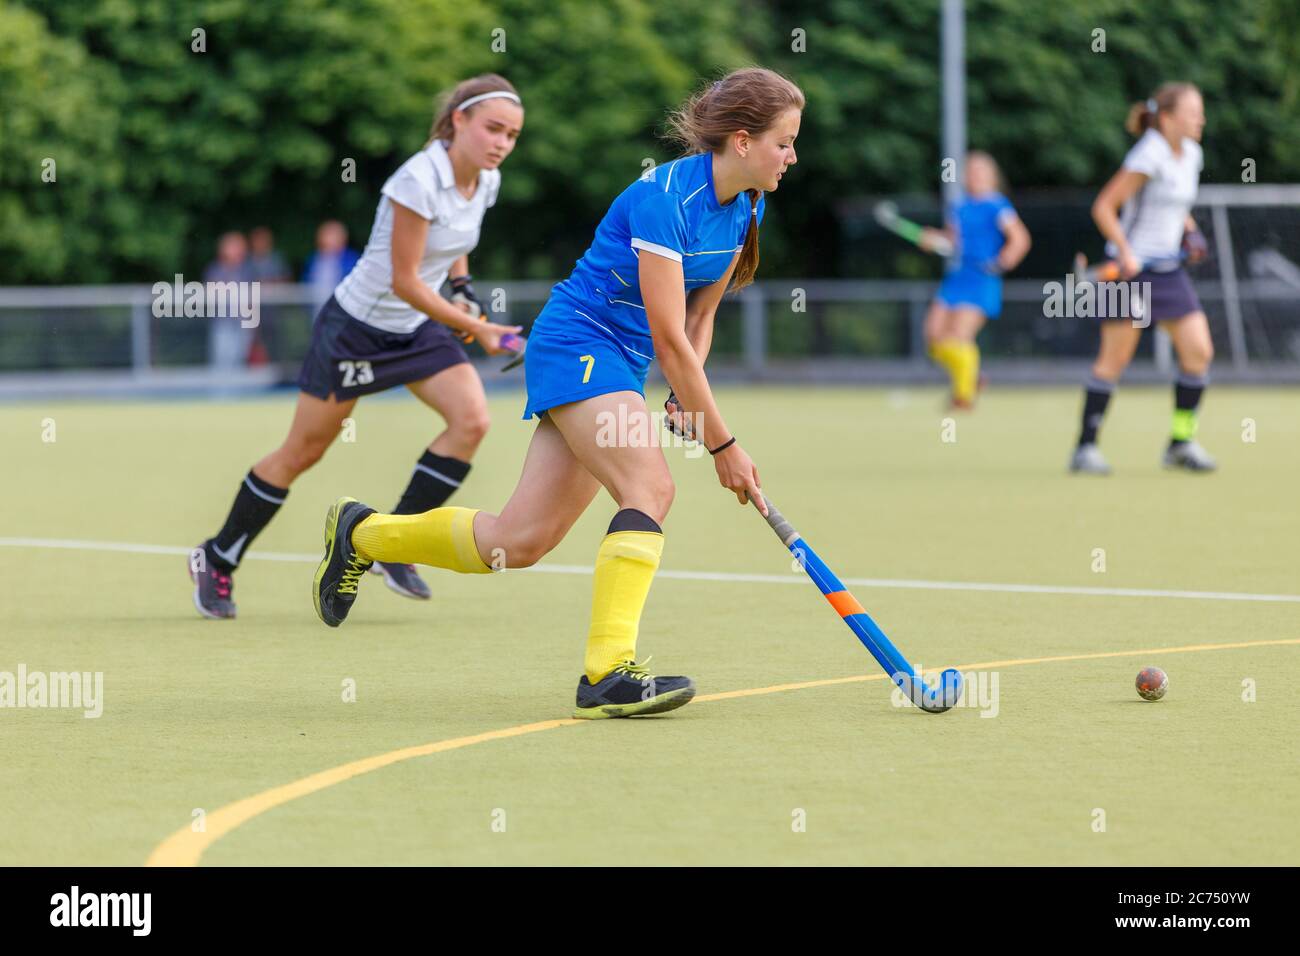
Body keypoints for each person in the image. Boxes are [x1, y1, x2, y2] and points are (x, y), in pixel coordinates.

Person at [311, 68, 804, 720]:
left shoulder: (747, 205)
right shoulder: (664, 200)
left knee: (517, 542)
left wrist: (690, 403)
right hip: (579, 344)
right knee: (650, 488)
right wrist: (724, 444)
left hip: (620, 363)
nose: (792, 157)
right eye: (784, 142)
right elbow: (667, 334)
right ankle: (607, 674)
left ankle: (365, 534)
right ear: (742, 140)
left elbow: (698, 318)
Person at [190, 74, 524, 618]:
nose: (501, 144)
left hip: (416, 329)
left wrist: (463, 292)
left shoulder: (485, 181)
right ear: (458, 120)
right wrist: (483, 331)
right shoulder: (416, 181)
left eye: (510, 135)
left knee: (472, 422)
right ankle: (217, 557)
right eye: (493, 129)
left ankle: (391, 544)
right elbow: (406, 281)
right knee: (304, 451)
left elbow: (454, 247)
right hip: (357, 330)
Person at [1070, 82, 1214, 474]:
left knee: (1199, 352)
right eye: (1193, 111)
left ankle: (1180, 444)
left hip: (1168, 272)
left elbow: (1176, 206)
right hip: (1129, 276)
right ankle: (1085, 448)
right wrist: (1127, 251)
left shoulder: (1192, 155)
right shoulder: (1148, 154)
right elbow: (1104, 207)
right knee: (1113, 361)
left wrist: (1190, 231)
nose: (1200, 118)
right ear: (1167, 118)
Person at [920, 152, 1030, 409]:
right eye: (971, 171)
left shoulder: (998, 205)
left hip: (983, 278)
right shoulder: (959, 207)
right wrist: (932, 240)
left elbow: (1020, 239)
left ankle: (963, 397)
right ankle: (973, 374)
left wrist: (1001, 262)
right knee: (934, 336)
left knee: (959, 336)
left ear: (992, 177)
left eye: (981, 171)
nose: (975, 176)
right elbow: (952, 242)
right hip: (958, 278)